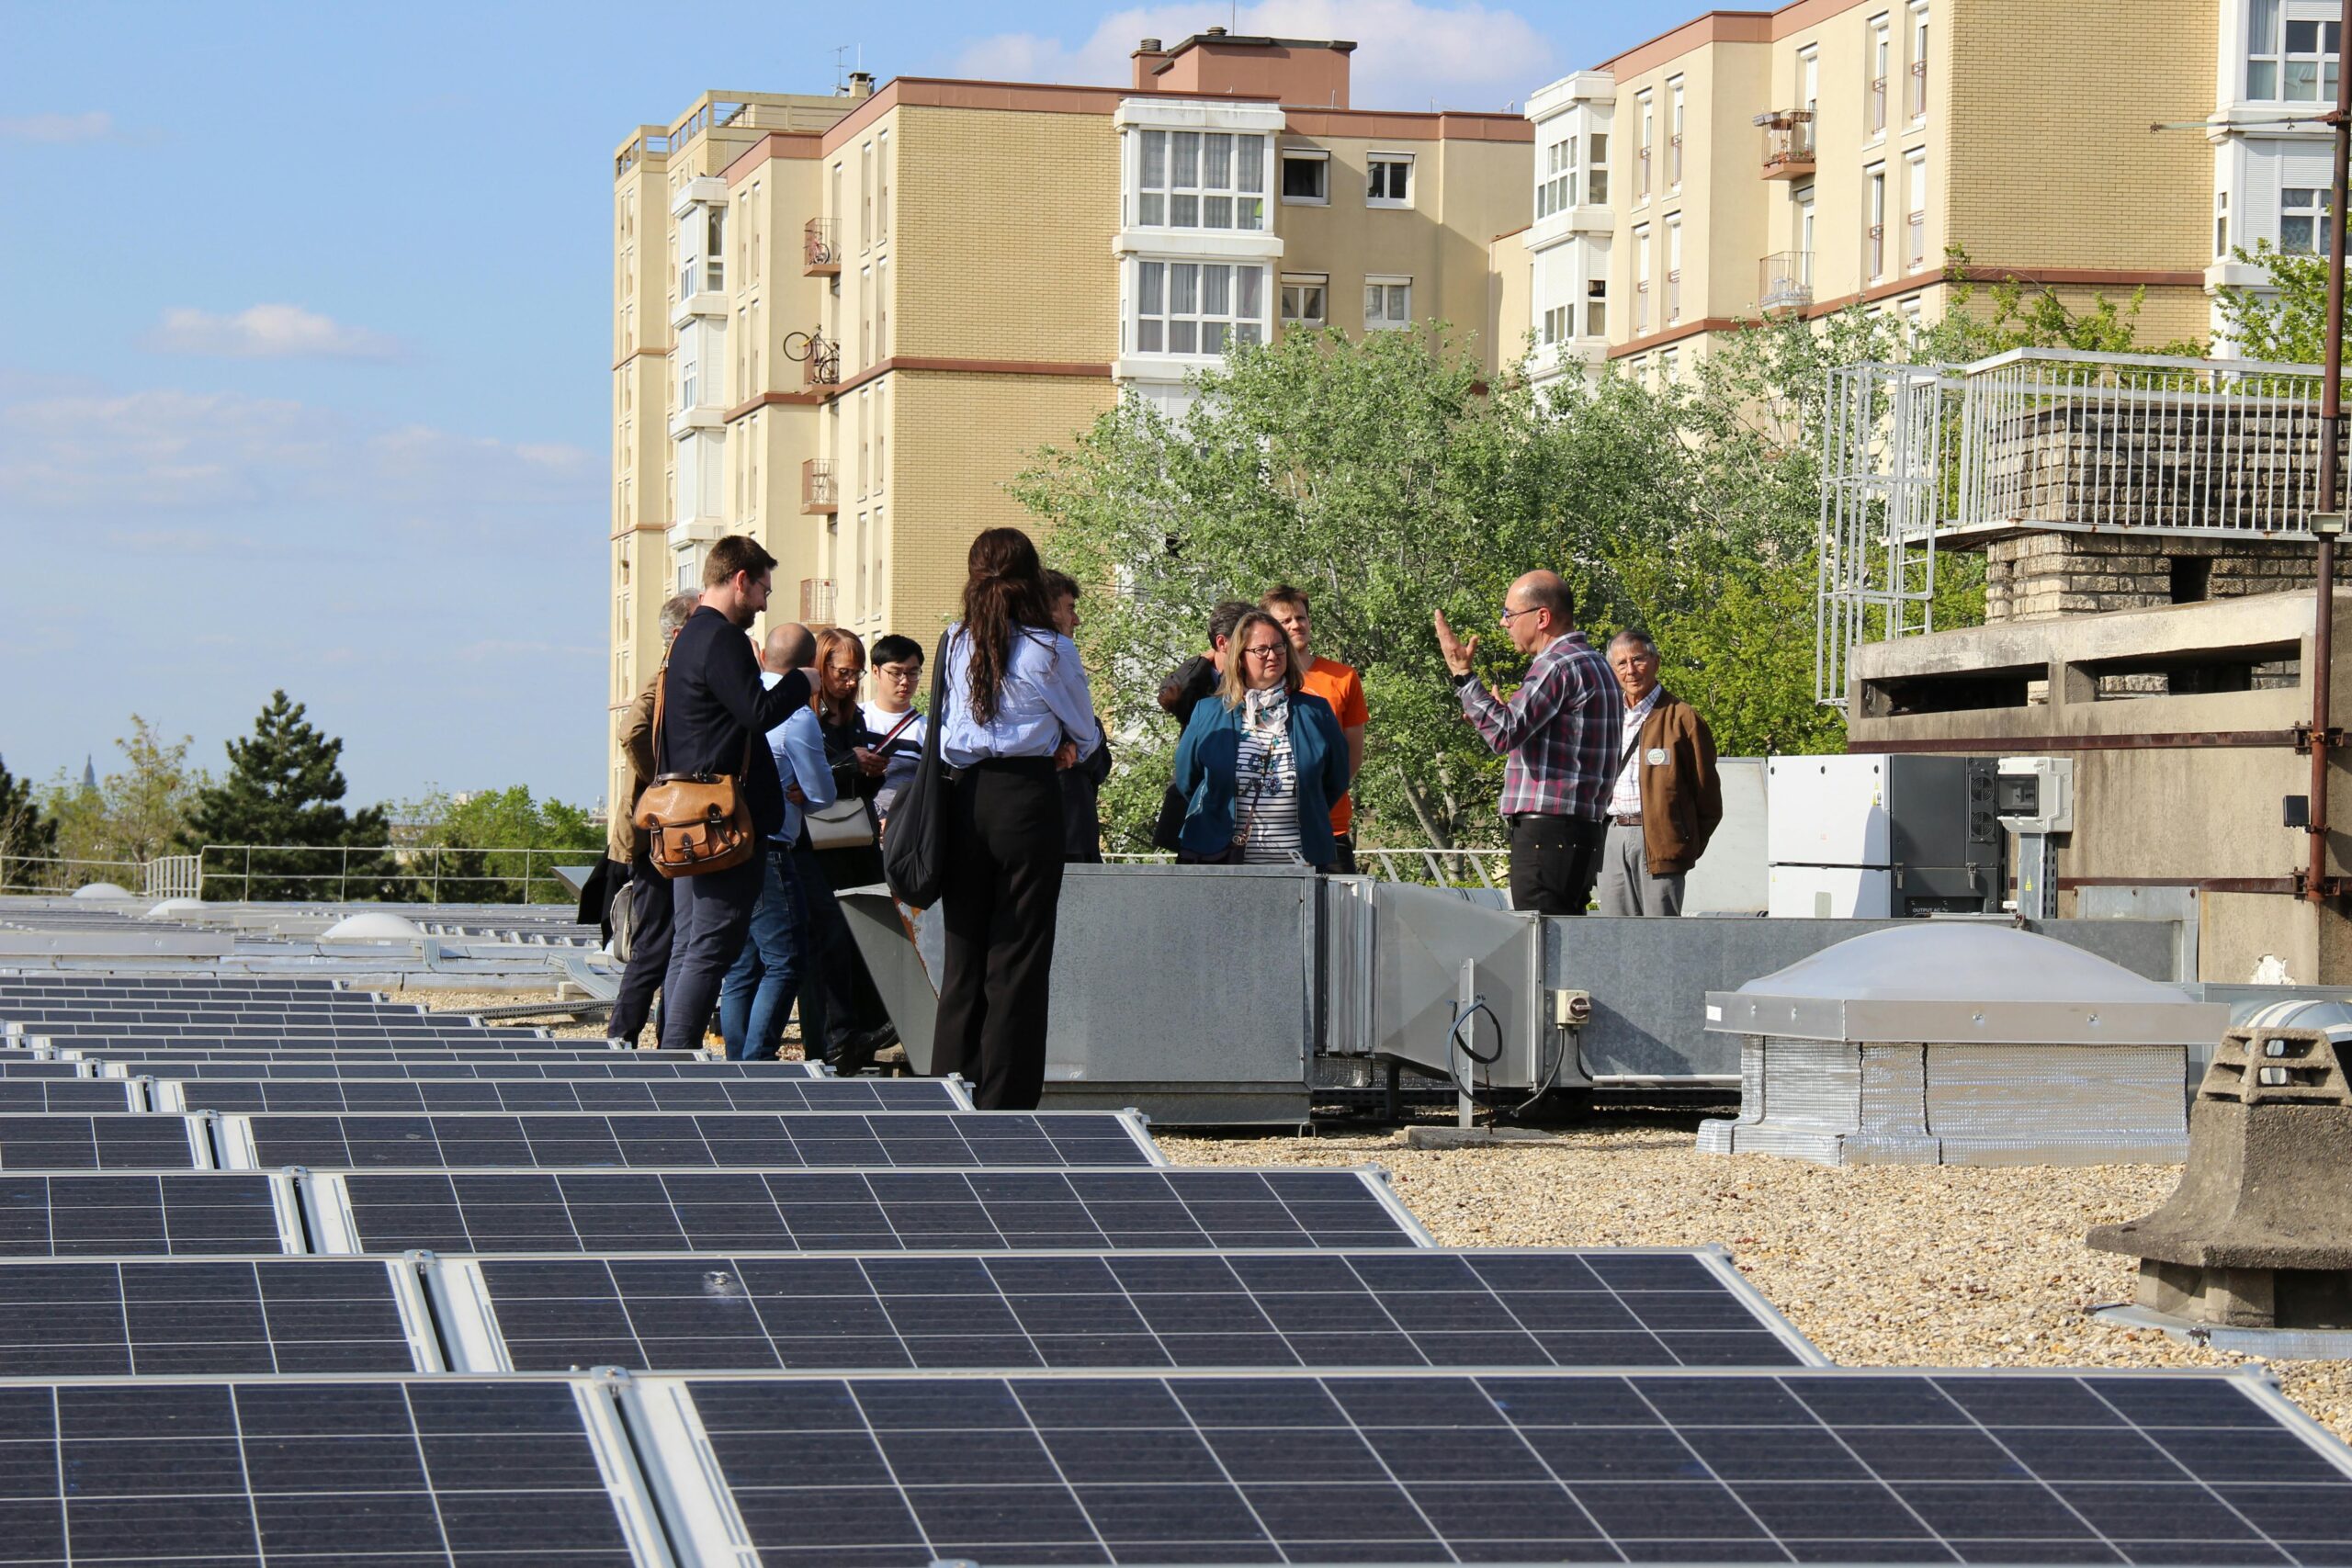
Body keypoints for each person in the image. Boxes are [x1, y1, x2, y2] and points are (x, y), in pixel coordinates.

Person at [934, 526, 1101, 1111]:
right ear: (1032, 579)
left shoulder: (954, 641)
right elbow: (1085, 730)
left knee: (964, 956)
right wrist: (1063, 740)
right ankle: (1005, 1101)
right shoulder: (1050, 648)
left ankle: (948, 1091)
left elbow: (950, 732)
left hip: (965, 795)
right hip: (1027, 801)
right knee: (1019, 956)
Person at [652, 536, 814, 1053]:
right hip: (720, 819)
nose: (766, 603)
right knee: (711, 947)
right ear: (741, 579)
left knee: (692, 945)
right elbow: (758, 713)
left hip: (685, 814)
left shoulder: (685, 639)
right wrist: (798, 682)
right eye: (764, 588)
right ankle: (673, 1064)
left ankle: (666, 1058)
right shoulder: (722, 639)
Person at [1433, 570, 1616, 917]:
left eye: (1509, 615)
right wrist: (1495, 713)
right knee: (1564, 940)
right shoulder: (1595, 662)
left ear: (1542, 617)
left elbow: (1504, 733)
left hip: (1547, 834)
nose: (1504, 624)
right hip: (1579, 830)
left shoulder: (1556, 665)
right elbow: (1543, 737)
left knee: (1541, 947)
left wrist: (1463, 675)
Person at [717, 623, 833, 1061]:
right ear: (812, 668)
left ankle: (737, 1060)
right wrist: (809, 795)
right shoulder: (797, 717)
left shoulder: (740, 701)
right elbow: (821, 794)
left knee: (743, 964)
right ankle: (756, 1060)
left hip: (729, 843)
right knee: (786, 960)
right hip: (772, 848)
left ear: (763, 656)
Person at [1170, 610, 1351, 869]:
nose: (1273, 655)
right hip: (1221, 862)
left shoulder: (1316, 712)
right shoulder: (1207, 713)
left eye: (1279, 647)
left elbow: (1335, 780)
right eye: (1261, 649)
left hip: (1299, 864)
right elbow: (1188, 780)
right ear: (1240, 657)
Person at [606, 592, 700, 1048]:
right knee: (657, 943)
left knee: (672, 942)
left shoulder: (674, 678)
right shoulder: (662, 680)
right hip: (658, 835)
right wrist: (664, 784)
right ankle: (622, 1039)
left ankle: (661, 1038)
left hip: (667, 832)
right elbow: (632, 733)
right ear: (682, 633)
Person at [803, 626, 897, 1075]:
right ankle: (835, 1038)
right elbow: (809, 777)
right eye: (844, 671)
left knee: (871, 927)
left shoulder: (853, 717)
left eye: (857, 672)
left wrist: (873, 767)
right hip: (819, 844)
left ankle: (865, 1027)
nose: (851, 680)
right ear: (822, 667)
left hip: (856, 837)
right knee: (831, 939)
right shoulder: (806, 716)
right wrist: (848, 763)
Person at [1596, 630, 1724, 917]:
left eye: (1638, 659)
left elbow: (1708, 797)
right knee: (1614, 937)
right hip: (1611, 838)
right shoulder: (1605, 715)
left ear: (1656, 662)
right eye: (1621, 663)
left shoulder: (1682, 717)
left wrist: (1681, 844)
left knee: (1661, 938)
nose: (1630, 670)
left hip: (1660, 841)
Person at [1261, 584, 1368, 873]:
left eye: (1301, 618)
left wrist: (1320, 801)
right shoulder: (1259, 682)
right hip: (1269, 831)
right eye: (1285, 621)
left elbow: (1352, 757)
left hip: (1328, 827)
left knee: (1337, 913)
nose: (1296, 625)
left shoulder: (1343, 677)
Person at [1044, 570, 1114, 863]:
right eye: (1070, 609)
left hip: (1073, 825)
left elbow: (1095, 754)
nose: (1077, 620)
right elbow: (1090, 745)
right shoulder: (1058, 650)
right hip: (1057, 828)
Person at [1158, 600, 1253, 732]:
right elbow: (1170, 695)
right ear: (1222, 642)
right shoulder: (1198, 681)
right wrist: (1200, 661)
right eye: (1246, 642)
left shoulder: (1254, 676)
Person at [862, 634, 928, 822]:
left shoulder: (928, 730)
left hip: (905, 833)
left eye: (912, 673)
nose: (905, 681)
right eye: (896, 672)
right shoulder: (856, 719)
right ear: (876, 672)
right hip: (856, 830)